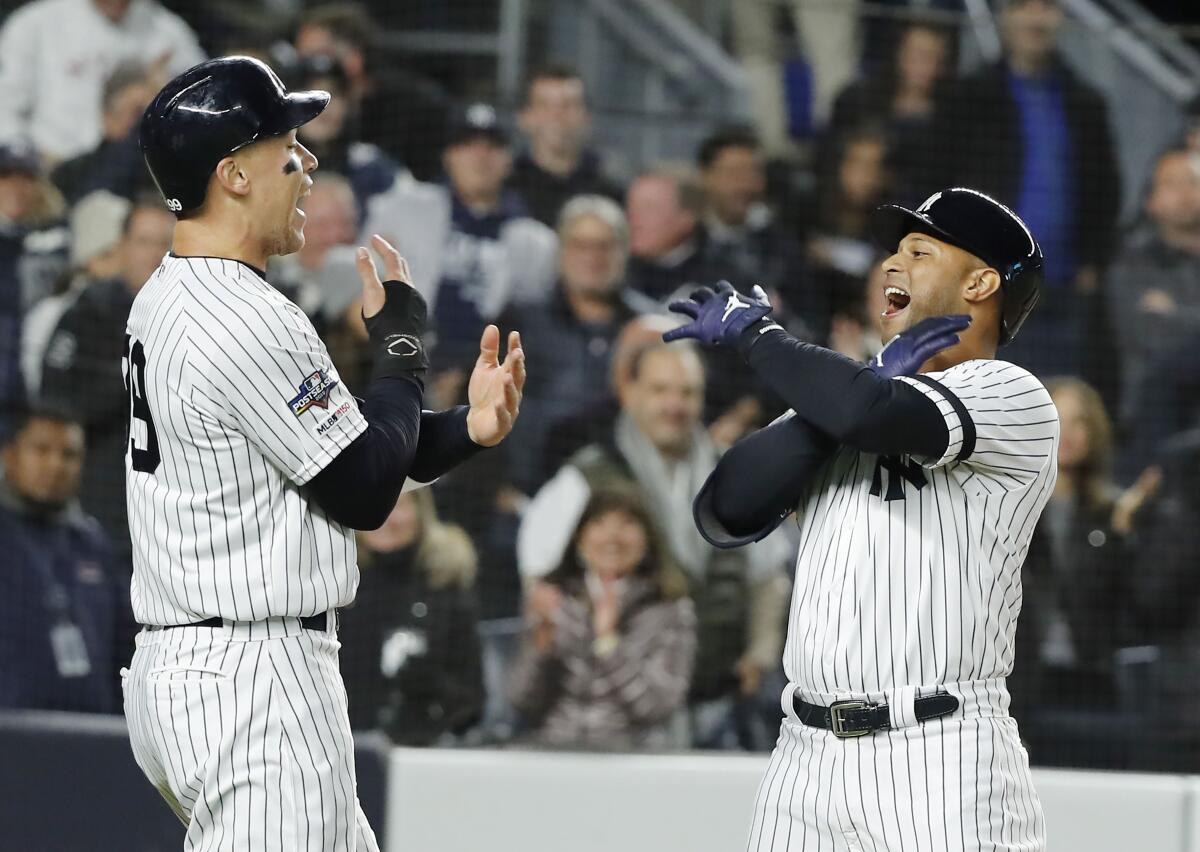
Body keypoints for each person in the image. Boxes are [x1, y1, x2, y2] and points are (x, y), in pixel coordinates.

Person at [121, 57, 525, 850]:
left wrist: (464, 430)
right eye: (286, 148)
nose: (306, 164)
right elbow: (366, 490)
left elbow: (342, 456)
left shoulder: (167, 294)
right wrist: (404, 351)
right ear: (232, 174)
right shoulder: (249, 315)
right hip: (253, 679)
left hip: (196, 667)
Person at [666, 187, 1057, 848]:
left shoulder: (1010, 394)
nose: (892, 266)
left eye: (920, 250)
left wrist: (761, 337)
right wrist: (866, 379)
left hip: (938, 755)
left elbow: (868, 415)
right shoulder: (845, 400)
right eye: (893, 252)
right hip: (804, 761)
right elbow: (725, 510)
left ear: (981, 282)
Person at [518, 339, 790, 750]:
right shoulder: (585, 478)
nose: (674, 405)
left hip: (719, 705)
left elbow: (769, 578)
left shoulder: (733, 471)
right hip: (612, 719)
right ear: (630, 393)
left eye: (687, 393)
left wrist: (760, 654)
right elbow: (539, 581)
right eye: (660, 390)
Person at [935, 0, 1120, 381]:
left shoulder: (1086, 103)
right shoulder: (969, 97)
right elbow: (942, 181)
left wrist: (1092, 263)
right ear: (1005, 16)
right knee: (987, 399)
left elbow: (1106, 189)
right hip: (989, 284)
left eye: (1048, 6)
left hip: (1065, 288)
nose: (1037, 17)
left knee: (1057, 405)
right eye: (1024, 5)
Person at [362, 102, 557, 373]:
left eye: (492, 146)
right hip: (399, 362)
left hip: (488, 374)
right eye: (467, 145)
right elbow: (362, 286)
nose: (480, 157)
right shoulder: (402, 208)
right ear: (448, 156)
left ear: (509, 160)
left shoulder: (536, 242)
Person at [510, 487, 696, 750]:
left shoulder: (670, 609)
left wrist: (609, 643)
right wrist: (542, 644)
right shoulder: (552, 599)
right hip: (553, 754)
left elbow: (658, 707)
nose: (612, 537)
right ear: (579, 538)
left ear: (648, 539)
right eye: (599, 523)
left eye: (627, 524)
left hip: (636, 761)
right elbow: (522, 701)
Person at [1015, 378, 1139, 769]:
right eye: (1058, 419)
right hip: (1017, 682)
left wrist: (1123, 537)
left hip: (1091, 680)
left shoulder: (1113, 515)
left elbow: (1130, 604)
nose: (1068, 433)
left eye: (1080, 421)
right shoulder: (1007, 509)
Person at [40, 197, 175, 551]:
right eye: (143, 241)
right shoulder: (89, 312)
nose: (153, 254)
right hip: (102, 488)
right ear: (123, 247)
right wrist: (131, 376)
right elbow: (55, 400)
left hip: (175, 503)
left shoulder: (199, 318)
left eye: (164, 244)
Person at [499, 195, 648, 494]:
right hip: (532, 488)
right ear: (561, 252)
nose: (593, 258)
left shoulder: (647, 327)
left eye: (604, 246)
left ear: (624, 251)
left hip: (628, 490)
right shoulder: (520, 324)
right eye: (580, 245)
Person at [0, 405, 133, 713]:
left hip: (91, 739)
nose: (56, 465)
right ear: (10, 454)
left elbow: (125, 646)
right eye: (41, 450)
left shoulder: (94, 544)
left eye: (69, 454)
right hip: (10, 737)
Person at [338, 489, 484, 746]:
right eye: (374, 501)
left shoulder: (446, 589)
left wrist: (425, 685)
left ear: (421, 511)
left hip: (424, 754)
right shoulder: (332, 589)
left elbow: (471, 699)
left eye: (398, 504)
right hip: (338, 749)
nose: (386, 516)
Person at [0, 0, 203, 164]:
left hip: (135, 169)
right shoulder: (34, 25)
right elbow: (5, 108)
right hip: (51, 166)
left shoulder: (167, 31)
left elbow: (204, 105)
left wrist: (165, 93)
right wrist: (27, 162)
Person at [294, 2, 451, 181]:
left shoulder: (417, 108)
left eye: (317, 56)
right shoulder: (302, 117)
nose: (305, 67)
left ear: (353, 59)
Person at [1107, 146, 1200, 427]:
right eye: (1171, 183)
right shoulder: (1131, 265)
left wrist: (1176, 313)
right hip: (1153, 421)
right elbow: (1153, 338)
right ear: (1150, 201)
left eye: (1193, 182)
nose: (1185, 193)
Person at [695, 126, 816, 339]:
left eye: (753, 173)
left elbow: (810, 321)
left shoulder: (783, 248)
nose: (745, 186)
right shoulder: (687, 242)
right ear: (706, 176)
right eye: (733, 174)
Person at [826, 19, 955, 202]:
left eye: (931, 57)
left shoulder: (953, 115)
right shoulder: (858, 99)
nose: (922, 65)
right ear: (899, 53)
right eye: (916, 54)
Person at [0, 143, 70, 441]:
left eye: (26, 178)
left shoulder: (57, 239)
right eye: (6, 176)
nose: (16, 188)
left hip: (32, 378)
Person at [507, 64, 624, 227]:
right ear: (525, 118)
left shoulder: (611, 194)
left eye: (569, 105)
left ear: (587, 117)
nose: (557, 115)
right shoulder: (504, 188)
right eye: (545, 105)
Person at [291, 54, 405, 220]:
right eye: (309, 94)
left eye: (334, 94)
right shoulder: (267, 166)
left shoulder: (371, 167)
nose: (324, 106)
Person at [50, 61, 158, 204]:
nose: (148, 123)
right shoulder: (71, 174)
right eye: (138, 113)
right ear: (108, 118)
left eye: (153, 113)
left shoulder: (166, 173)